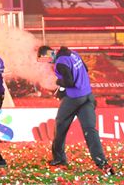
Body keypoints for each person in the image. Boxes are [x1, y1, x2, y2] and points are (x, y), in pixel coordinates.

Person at [38, 46, 114, 174]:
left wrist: (58, 82)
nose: (47, 62)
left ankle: (59, 158)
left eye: (44, 59)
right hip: (88, 96)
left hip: (74, 98)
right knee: (90, 130)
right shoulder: (73, 53)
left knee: (60, 126)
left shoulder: (60, 63)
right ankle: (102, 163)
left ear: (48, 54)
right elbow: (86, 69)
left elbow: (70, 82)